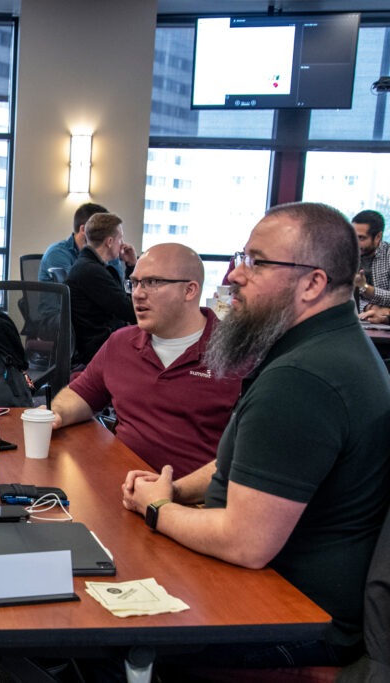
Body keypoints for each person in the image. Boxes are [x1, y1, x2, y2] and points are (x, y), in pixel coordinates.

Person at [123, 202, 390, 668]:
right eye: (241, 257)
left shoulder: (304, 379)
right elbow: (247, 462)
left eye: (257, 262)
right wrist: (178, 489)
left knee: (110, 631)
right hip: (283, 595)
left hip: (291, 616)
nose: (234, 276)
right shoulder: (329, 346)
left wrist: (157, 508)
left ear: (313, 283)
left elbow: (244, 542)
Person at [50, 243, 241, 478]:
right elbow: (81, 394)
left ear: (190, 291)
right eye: (135, 282)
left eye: (152, 282)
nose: (138, 294)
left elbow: (245, 458)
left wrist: (172, 495)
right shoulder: (121, 343)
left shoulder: (237, 352)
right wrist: (56, 414)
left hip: (193, 503)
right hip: (120, 484)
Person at [65, 212, 137, 364]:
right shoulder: (91, 271)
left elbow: (124, 299)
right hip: (100, 348)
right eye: (120, 238)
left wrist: (130, 267)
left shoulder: (89, 266)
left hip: (103, 341)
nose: (122, 244)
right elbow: (129, 311)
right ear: (110, 241)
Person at [38, 202, 135, 282]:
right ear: (84, 229)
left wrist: (131, 265)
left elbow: (118, 290)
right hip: (60, 306)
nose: (106, 235)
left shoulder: (106, 252)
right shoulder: (58, 253)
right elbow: (78, 291)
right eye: (102, 229)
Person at [352, 209, 389, 312]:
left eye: (361, 238)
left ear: (378, 237)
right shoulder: (346, 254)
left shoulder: (388, 254)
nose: (355, 243)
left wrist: (365, 287)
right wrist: (367, 307)